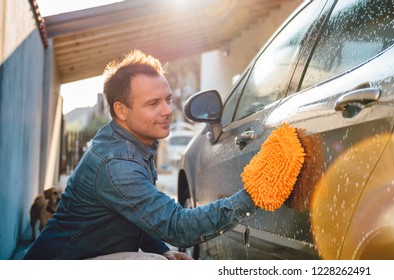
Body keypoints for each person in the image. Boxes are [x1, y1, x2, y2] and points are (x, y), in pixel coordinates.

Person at [24, 50, 258, 260]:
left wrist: (161, 249)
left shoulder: (131, 145)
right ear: (121, 110)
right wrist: (255, 194)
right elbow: (178, 226)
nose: (167, 110)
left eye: (167, 99)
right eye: (153, 103)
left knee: (161, 260)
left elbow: (133, 215)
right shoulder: (117, 163)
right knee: (154, 267)